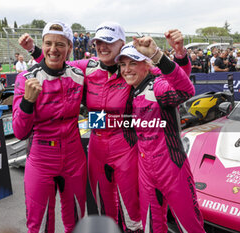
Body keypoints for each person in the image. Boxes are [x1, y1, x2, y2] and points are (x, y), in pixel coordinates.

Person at [18, 23, 190, 233]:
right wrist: (34, 50)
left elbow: (175, 80)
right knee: (104, 207)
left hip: (125, 145)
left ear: (121, 44)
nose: (102, 47)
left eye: (109, 42)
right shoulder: (88, 66)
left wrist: (180, 55)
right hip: (96, 146)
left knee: (132, 212)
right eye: (99, 42)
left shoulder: (130, 67)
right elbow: (56, 62)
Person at [115, 37, 205, 233]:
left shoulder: (158, 85)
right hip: (145, 170)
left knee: (190, 227)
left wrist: (158, 55)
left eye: (132, 63)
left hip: (172, 168)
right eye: (122, 64)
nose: (126, 69)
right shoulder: (131, 90)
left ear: (146, 65)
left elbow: (185, 89)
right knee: (151, 228)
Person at [12, 21, 87, 233]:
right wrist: (27, 102)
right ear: (42, 45)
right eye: (48, 43)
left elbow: (108, 70)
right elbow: (19, 132)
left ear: (70, 48)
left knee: (77, 220)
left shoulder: (79, 74)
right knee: (40, 224)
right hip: (41, 158)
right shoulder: (26, 78)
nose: (53, 49)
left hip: (74, 157)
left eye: (60, 44)